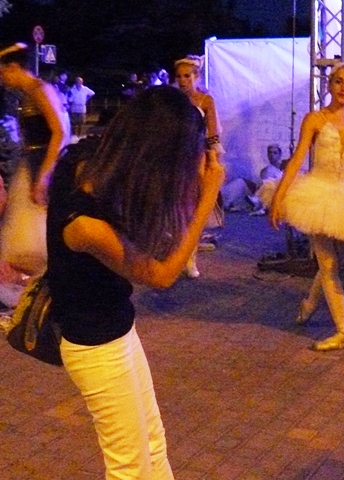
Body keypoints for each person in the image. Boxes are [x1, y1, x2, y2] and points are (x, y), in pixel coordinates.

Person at [46, 86, 225, 478]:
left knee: (153, 446)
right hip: (95, 346)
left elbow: (155, 237)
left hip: (118, 328)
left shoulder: (91, 157)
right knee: (129, 468)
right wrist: (206, 196)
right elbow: (161, 274)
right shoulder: (85, 224)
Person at [265, 63, 344, 351]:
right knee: (328, 264)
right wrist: (279, 197)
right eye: (339, 81)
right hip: (318, 193)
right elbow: (297, 159)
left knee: (335, 263)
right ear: (329, 85)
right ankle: (343, 331)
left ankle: (309, 304)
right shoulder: (315, 119)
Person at [0, 43, 69, 278]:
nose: (2, 79)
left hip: (44, 163)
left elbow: (60, 132)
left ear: (14, 67)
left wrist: (45, 175)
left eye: (3, 72)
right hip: (32, 162)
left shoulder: (40, 89)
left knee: (44, 224)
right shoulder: (27, 94)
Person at [174, 54, 224, 278]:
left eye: (187, 76)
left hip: (197, 158)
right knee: (175, 209)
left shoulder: (205, 101)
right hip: (174, 158)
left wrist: (214, 162)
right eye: (179, 76)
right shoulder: (173, 100)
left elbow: (213, 135)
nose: (183, 80)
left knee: (193, 209)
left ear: (196, 76)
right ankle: (175, 257)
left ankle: (190, 257)